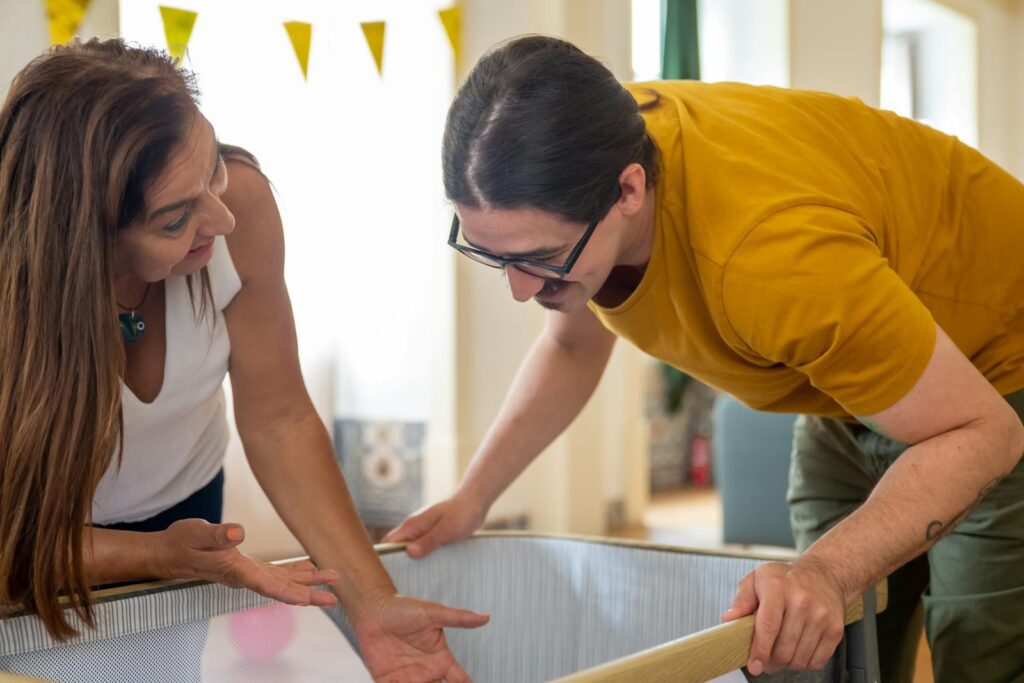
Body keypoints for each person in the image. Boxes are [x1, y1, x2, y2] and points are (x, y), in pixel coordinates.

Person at [386, 35, 1024, 682]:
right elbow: (573, 343)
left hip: (998, 371)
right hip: (851, 380)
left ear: (628, 191)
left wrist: (828, 569)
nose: (521, 289)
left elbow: (987, 431)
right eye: (493, 255)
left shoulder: (768, 260)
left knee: (978, 648)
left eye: (541, 259)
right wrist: (474, 494)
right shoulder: (595, 133)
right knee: (816, 645)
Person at [0, 39, 487, 682]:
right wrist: (154, 557)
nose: (222, 218)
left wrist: (373, 603)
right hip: (31, 544)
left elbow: (280, 419)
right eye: (176, 218)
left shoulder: (244, 207)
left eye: (212, 172)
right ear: (81, 237)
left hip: (186, 514)